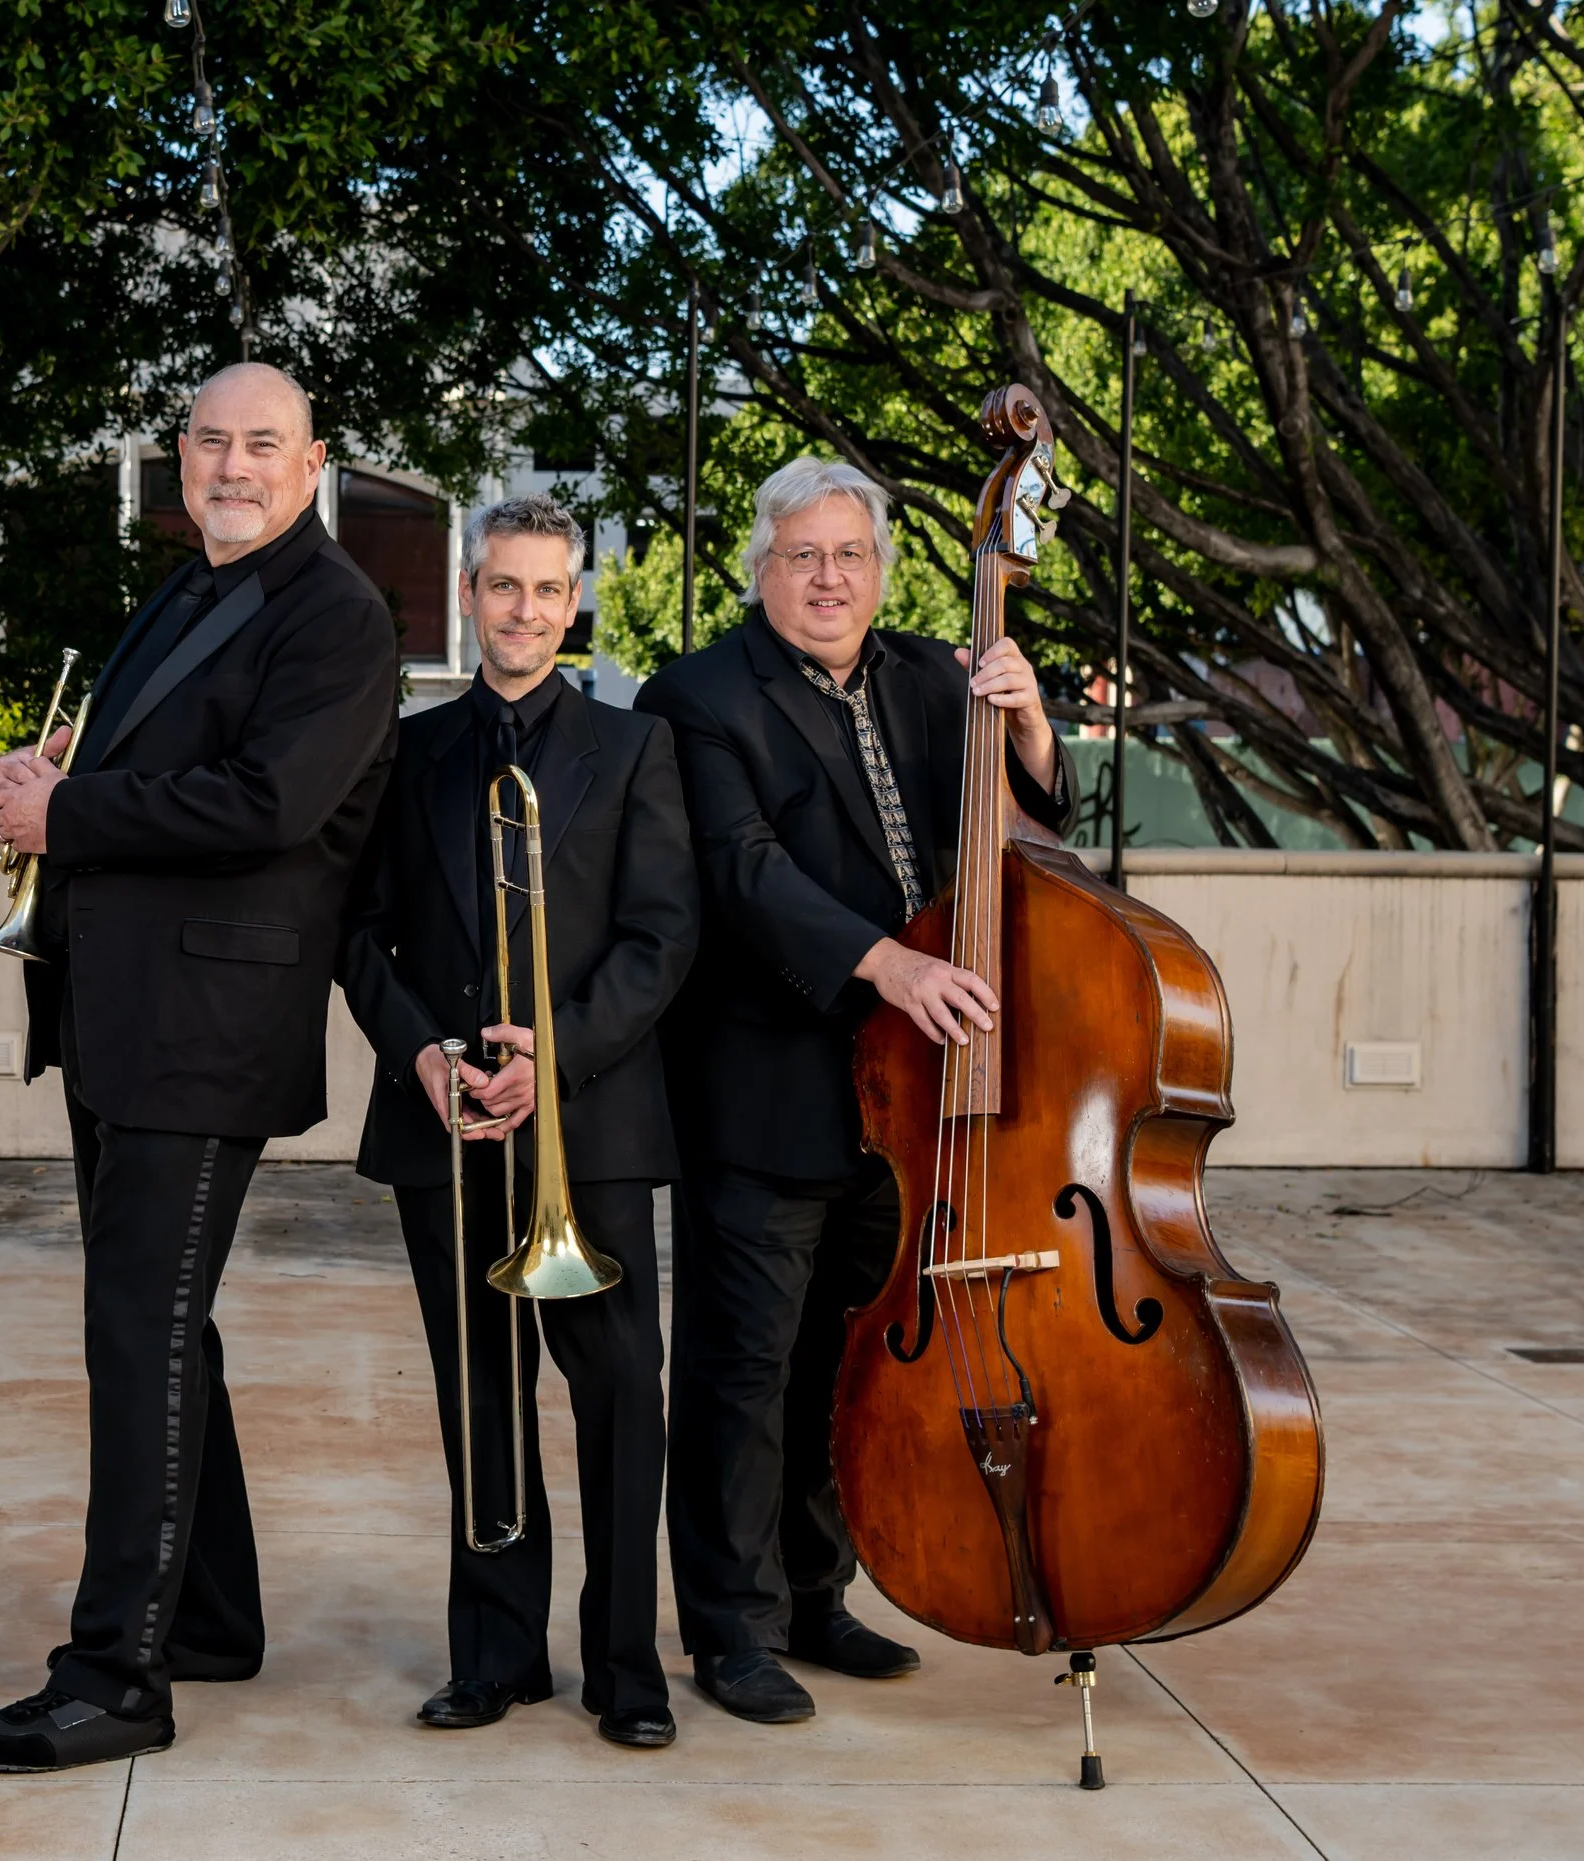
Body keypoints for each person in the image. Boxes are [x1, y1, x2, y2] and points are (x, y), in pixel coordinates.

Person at [0, 362, 400, 1772]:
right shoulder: (185, 590)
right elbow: (172, 767)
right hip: (126, 1015)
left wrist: (69, 805)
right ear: (182, 456)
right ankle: (208, 1614)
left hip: (207, 1028)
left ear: (314, 462)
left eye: (264, 443)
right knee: (162, 1323)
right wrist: (66, 776)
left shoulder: (338, 614)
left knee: (138, 1329)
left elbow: (269, 804)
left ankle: (116, 1674)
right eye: (211, 440)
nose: (234, 464)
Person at [635, 456, 1076, 1725]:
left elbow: (1030, 834)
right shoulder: (700, 694)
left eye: (851, 556)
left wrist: (1033, 728)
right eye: (802, 556)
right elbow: (740, 867)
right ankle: (730, 1627)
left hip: (918, 1100)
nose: (829, 579)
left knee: (849, 1362)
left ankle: (820, 1596)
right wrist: (889, 965)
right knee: (742, 1367)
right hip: (768, 1081)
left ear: (880, 568)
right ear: (759, 569)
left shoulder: (942, 677)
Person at [339, 495, 697, 1751]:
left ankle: (623, 1663)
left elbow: (665, 937)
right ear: (467, 589)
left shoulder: (632, 745)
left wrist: (563, 1058)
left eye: (549, 592)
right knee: (478, 1396)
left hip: (585, 1126)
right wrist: (427, 1056)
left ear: (575, 600)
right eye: (504, 587)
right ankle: (492, 1655)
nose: (526, 612)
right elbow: (358, 930)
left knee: (618, 1396)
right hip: (448, 1124)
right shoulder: (409, 749)